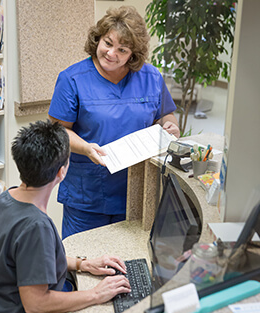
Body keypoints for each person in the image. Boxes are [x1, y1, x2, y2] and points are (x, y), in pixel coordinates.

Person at [48, 6, 180, 239]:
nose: (111, 53)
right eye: (107, 43)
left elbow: (165, 116)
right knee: (82, 264)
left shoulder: (151, 78)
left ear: (133, 54)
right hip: (87, 195)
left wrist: (171, 126)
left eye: (122, 49)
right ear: (97, 39)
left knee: (126, 264)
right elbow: (59, 131)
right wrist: (86, 148)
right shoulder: (72, 79)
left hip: (136, 192)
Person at [0, 120, 131, 313]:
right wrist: (96, 294)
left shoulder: (7, 198)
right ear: (62, 172)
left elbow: (29, 260)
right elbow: (35, 303)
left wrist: (83, 264)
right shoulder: (35, 227)